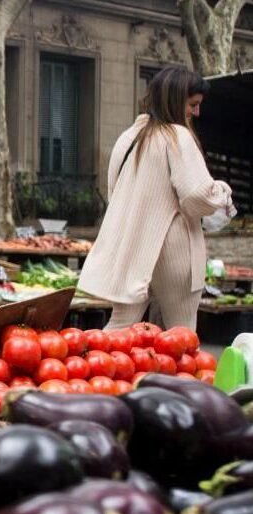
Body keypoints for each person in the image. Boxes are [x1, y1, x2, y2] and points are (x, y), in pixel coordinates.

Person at [78, 66, 233, 330]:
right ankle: (177, 374)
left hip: (134, 243)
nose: (197, 112)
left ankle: (93, 369)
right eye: (193, 104)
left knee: (120, 325)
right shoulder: (178, 136)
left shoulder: (128, 138)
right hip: (175, 244)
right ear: (175, 100)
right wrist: (221, 191)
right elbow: (196, 196)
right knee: (181, 330)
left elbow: (115, 190)